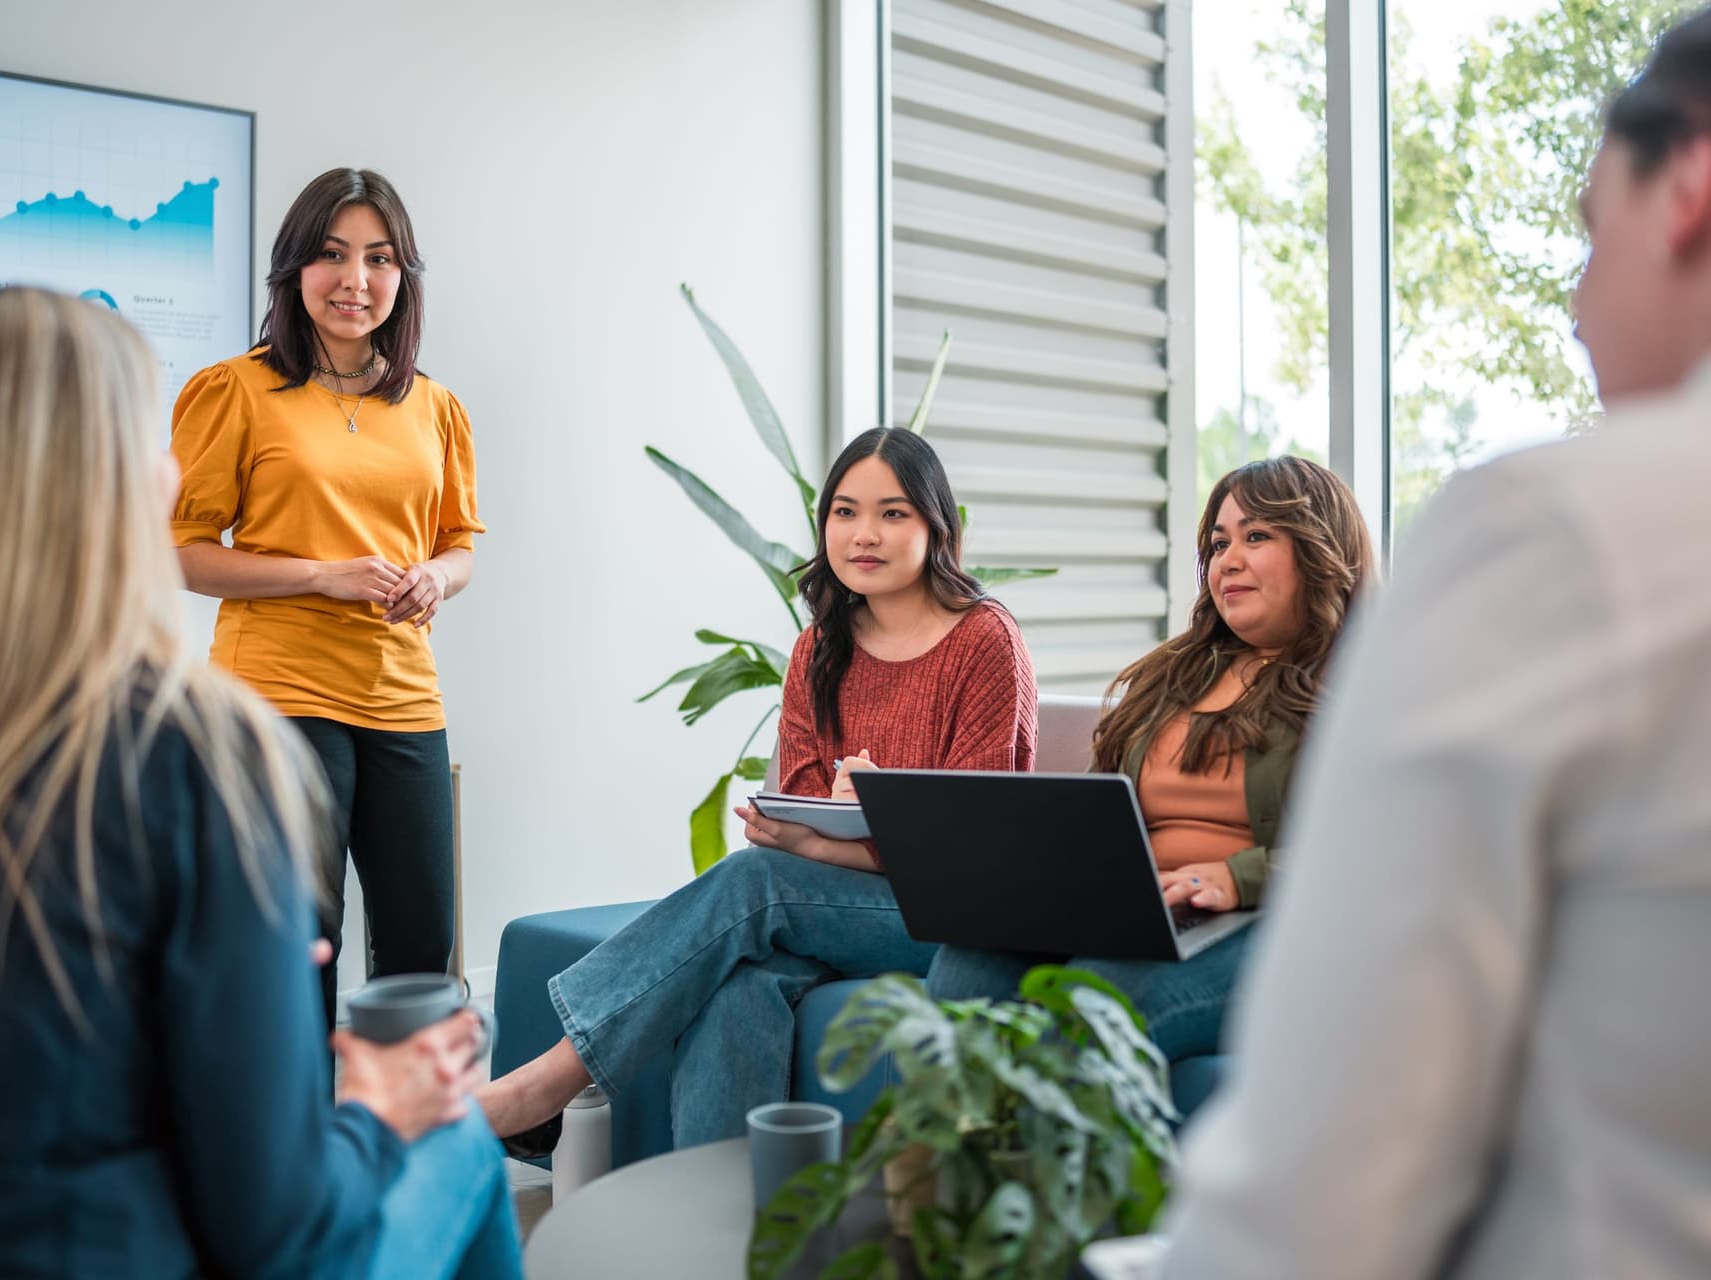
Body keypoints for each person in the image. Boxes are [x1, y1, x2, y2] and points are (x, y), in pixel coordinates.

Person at [0, 288, 519, 1280]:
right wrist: (376, 1107)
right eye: (153, 441)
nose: (174, 468)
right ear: (107, 480)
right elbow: (280, 1230)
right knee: (462, 1141)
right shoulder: (192, 757)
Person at [1163, 10, 1711, 1277]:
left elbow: (1319, 1195)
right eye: (1213, 539)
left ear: (1687, 186)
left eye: (1589, 237)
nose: (1578, 304)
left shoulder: (1555, 533)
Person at [477, 426, 1038, 1150]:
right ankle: (728, 1225)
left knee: (753, 887)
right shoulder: (818, 648)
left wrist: (861, 827)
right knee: (739, 985)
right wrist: (829, 834)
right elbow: (801, 819)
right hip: (837, 904)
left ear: (939, 526)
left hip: (954, 921)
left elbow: (973, 846)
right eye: (844, 511)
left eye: (893, 513)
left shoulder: (986, 640)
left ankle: (549, 1081)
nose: (864, 533)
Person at [923, 456, 1374, 1074]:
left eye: (1257, 536)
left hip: (1265, 924)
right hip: (1132, 908)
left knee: (1099, 1002)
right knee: (963, 972)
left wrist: (1237, 877)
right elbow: (1095, 805)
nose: (1229, 559)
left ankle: (1039, 1166)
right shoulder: (1174, 675)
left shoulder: (1363, 690)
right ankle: (957, 1166)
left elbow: (1379, 852)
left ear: (1320, 550)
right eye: (1219, 542)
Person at [171, 168, 484, 1025]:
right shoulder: (234, 390)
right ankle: (291, 1142)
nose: (356, 280)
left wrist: (434, 578)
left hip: (403, 696)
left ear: (402, 276)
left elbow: (460, 546)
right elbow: (184, 555)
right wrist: (318, 573)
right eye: (333, 256)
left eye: (380, 259)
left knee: (423, 947)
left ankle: (405, 1139)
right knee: (297, 938)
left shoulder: (436, 408)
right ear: (294, 270)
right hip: (277, 693)